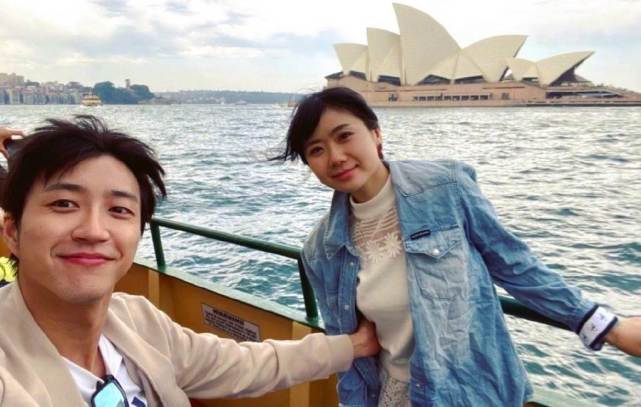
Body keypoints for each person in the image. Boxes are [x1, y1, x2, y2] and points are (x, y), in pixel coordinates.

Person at [274, 86, 641, 406]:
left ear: (376, 134)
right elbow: (349, 347)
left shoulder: (446, 188)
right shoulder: (320, 250)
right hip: (394, 395)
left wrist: (606, 326)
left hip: (471, 390)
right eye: (317, 149)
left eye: (344, 136)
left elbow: (515, 265)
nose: (336, 156)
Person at [0, 115, 380, 406]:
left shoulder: (136, 321)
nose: (94, 230)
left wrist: (353, 346)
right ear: (12, 231)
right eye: (64, 203)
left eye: (119, 210)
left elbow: (242, 364)